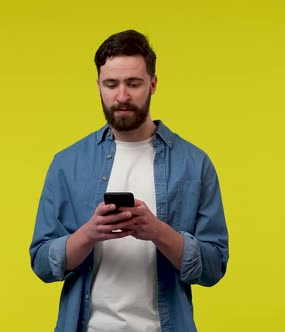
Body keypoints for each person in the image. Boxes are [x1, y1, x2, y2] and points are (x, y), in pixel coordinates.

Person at [29, 29, 229, 332]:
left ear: (153, 83)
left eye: (133, 83)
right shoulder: (67, 163)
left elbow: (214, 267)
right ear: (98, 86)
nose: (122, 96)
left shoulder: (194, 164)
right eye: (111, 84)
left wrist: (158, 232)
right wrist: (90, 233)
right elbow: (42, 263)